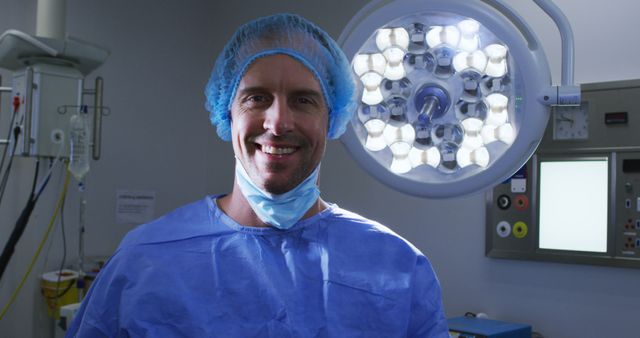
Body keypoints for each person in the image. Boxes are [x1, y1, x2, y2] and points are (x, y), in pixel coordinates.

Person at [67, 13, 448, 337]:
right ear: (226, 112)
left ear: (331, 118)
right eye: (256, 97)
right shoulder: (144, 262)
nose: (278, 122)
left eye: (303, 100)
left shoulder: (398, 268)